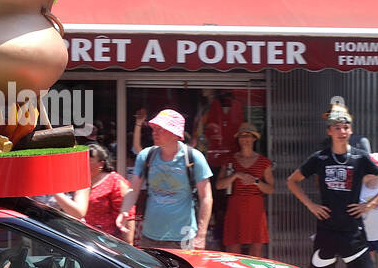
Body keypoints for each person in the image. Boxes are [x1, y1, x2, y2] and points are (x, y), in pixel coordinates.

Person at [287, 106, 378, 268]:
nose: (342, 131)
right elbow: (292, 181)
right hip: (327, 229)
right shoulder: (320, 158)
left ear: (351, 131)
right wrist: (311, 205)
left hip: (352, 230)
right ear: (329, 131)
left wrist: (371, 204)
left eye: (346, 127)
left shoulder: (361, 157)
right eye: (337, 127)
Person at [117, 109, 213, 251]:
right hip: (149, 236)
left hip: (183, 238)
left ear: (176, 134)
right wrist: (124, 210)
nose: (154, 132)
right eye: (154, 128)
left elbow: (206, 197)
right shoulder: (146, 156)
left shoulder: (193, 158)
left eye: (160, 129)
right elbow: (134, 189)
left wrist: (201, 234)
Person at [216, 123, 274, 256]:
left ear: (254, 138)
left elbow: (270, 189)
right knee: (233, 248)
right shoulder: (230, 160)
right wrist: (235, 175)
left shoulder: (264, 162)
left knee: (256, 248)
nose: (245, 139)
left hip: (255, 207)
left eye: (248, 135)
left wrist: (256, 181)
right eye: (242, 136)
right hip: (235, 205)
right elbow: (219, 185)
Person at [80, 144, 134, 241]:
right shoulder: (82, 181)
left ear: (101, 164)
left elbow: (128, 214)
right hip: (85, 238)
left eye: (89, 160)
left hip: (108, 242)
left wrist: (129, 245)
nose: (84, 163)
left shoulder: (115, 181)